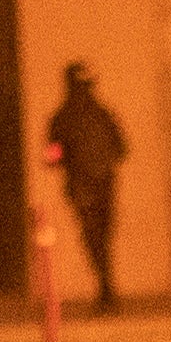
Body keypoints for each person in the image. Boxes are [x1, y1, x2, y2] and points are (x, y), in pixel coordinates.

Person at [39, 63, 129, 315]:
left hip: (82, 186)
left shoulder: (63, 116)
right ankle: (107, 289)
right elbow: (122, 148)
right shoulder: (102, 113)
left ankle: (106, 289)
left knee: (93, 237)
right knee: (102, 236)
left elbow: (52, 156)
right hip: (102, 183)